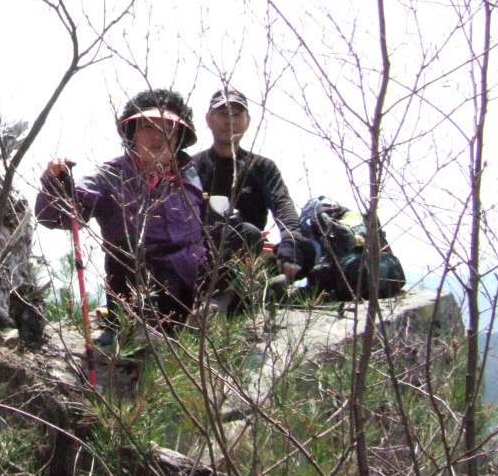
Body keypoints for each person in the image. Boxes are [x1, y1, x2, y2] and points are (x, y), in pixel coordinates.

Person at [36, 89, 207, 330]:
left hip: (195, 291)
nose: (158, 137)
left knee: (242, 235)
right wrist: (55, 184)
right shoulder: (108, 177)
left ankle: (213, 311)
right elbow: (57, 217)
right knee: (132, 256)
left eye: (167, 129)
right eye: (147, 127)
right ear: (131, 133)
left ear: (179, 136)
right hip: (138, 296)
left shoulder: (194, 174)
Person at [193, 86, 313, 309]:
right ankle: (221, 302)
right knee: (247, 232)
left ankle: (257, 287)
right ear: (208, 119)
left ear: (248, 121)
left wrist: (291, 242)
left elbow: (283, 205)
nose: (230, 121)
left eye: (237, 115)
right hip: (205, 256)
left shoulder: (262, 167)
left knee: (305, 248)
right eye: (223, 114)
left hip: (252, 255)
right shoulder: (193, 167)